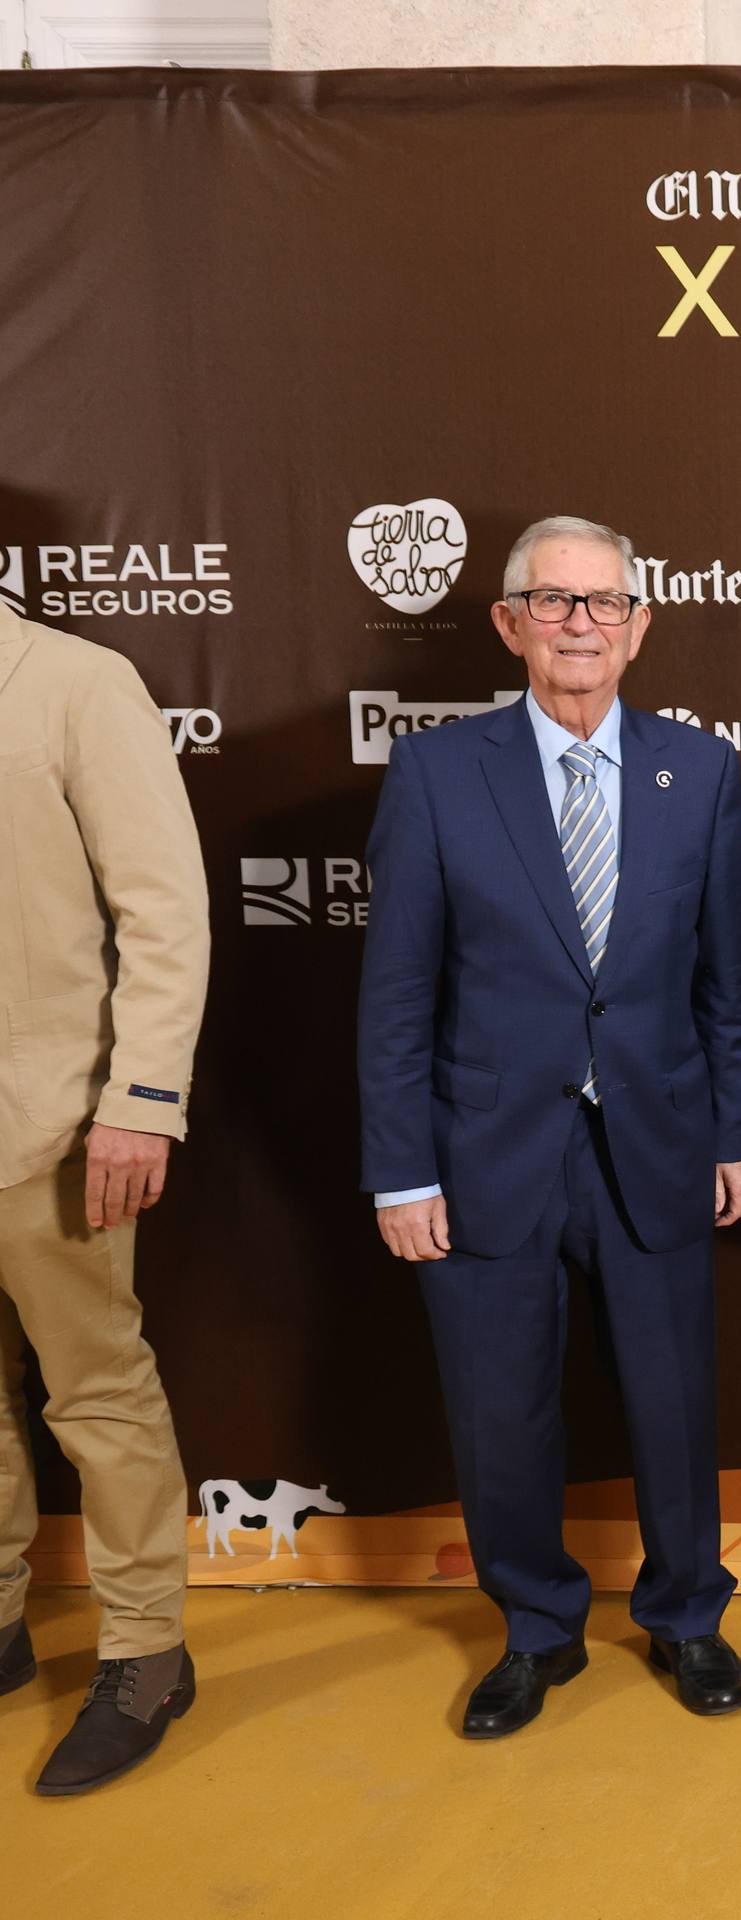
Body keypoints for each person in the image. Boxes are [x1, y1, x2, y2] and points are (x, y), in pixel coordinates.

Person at [358, 515, 741, 1738]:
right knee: (500, 1409)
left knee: (673, 1403)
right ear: (509, 624)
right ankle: (536, 1631)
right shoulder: (439, 774)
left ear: (640, 626)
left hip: (655, 1143)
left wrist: (733, 1135)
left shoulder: (697, 772)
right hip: (484, 1154)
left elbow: (727, 981)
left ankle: (689, 1616)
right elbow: (395, 998)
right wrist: (398, 1173)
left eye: (604, 603)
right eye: (554, 602)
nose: (580, 623)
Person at [0, 599, 210, 1796]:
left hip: (51, 1119)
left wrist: (140, 1099)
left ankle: (145, 1655)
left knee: (96, 1394)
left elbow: (164, 910)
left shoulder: (77, 682)